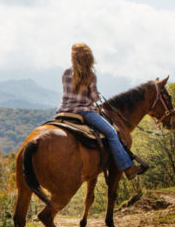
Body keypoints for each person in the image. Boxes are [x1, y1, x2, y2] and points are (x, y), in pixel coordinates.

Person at [58, 43, 142, 179]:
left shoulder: (66, 73)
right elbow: (94, 98)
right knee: (112, 133)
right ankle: (128, 167)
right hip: (84, 112)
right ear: (88, 58)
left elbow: (67, 92)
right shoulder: (90, 75)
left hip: (64, 111)